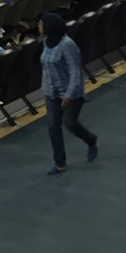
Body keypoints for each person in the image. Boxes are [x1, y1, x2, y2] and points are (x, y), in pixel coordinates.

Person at [40, 13, 96, 174]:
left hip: (70, 92)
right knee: (53, 126)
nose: (39, 26)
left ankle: (91, 140)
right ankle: (59, 163)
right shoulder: (46, 42)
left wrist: (68, 94)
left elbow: (74, 72)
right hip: (51, 92)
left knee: (70, 123)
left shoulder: (67, 45)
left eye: (41, 23)